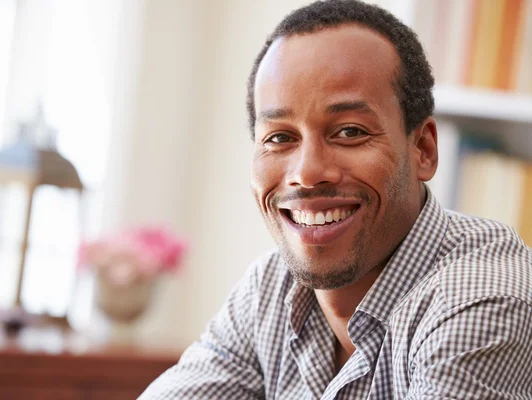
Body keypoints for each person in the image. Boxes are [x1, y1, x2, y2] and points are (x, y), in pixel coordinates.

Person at [140, 1, 532, 398]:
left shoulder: (484, 298)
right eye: (279, 137)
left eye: (349, 132)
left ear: (423, 150)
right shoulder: (270, 290)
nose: (307, 173)